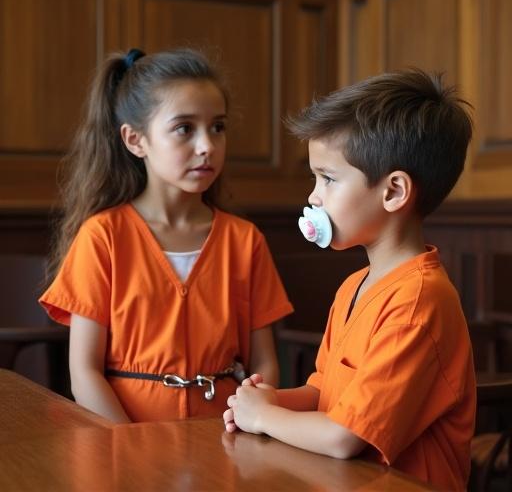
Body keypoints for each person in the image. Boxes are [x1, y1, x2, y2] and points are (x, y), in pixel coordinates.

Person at [223, 69, 476, 491]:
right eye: (314, 178)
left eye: (328, 178)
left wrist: (265, 417)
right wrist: (267, 400)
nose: (313, 197)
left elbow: (345, 437)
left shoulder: (418, 302)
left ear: (393, 192)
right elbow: (324, 391)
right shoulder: (354, 286)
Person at [39, 48, 293, 423]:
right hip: (124, 451)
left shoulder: (245, 239)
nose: (207, 145)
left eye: (218, 127)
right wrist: (131, 449)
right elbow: (84, 374)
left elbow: (265, 364)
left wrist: (245, 425)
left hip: (225, 445)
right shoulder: (103, 236)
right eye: (184, 128)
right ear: (135, 140)